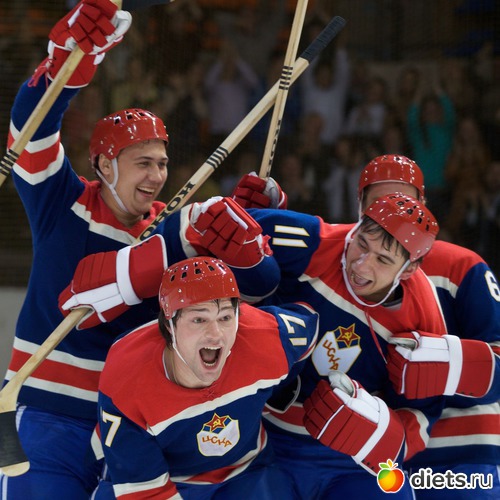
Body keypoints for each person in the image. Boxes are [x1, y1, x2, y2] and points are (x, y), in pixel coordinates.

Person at [0, 2, 278, 497]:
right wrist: (70, 59)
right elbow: (31, 131)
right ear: (105, 164)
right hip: (48, 416)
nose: (156, 176)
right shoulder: (63, 203)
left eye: (162, 163)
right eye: (142, 163)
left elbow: (240, 296)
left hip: (133, 424)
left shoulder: (172, 232)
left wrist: (249, 228)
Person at [232, 181, 447, 498]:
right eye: (362, 243)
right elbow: (218, 226)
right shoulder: (313, 241)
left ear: (409, 268)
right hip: (262, 441)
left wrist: (383, 438)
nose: (361, 264)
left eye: (383, 260)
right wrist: (241, 221)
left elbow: (422, 415)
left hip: (350, 463)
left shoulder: (423, 320)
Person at [64, 256, 319, 498]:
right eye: (199, 319)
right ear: (169, 324)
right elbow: (146, 491)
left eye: (225, 317)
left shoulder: (266, 335)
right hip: (165, 478)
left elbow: (309, 326)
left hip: (247, 469)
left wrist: (282, 389)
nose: (215, 334)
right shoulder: (127, 374)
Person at [356, 154, 500, 499]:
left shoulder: (462, 266)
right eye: (378, 204)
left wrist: (452, 367)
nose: (391, 214)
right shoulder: (339, 268)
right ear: (359, 207)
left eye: (403, 202)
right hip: (372, 454)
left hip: (462, 452)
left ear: (423, 206)